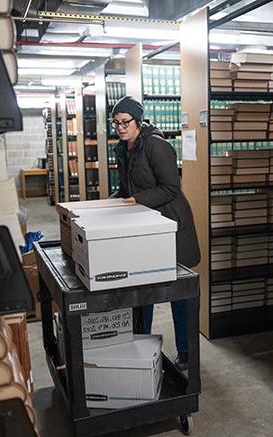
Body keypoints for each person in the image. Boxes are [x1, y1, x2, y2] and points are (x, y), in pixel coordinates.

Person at [110, 96, 201, 371]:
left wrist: (136, 200)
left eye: (125, 122)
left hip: (172, 225)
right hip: (146, 226)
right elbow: (128, 189)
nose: (121, 128)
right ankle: (142, 347)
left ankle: (186, 351)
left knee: (178, 291)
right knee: (142, 288)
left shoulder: (156, 145)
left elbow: (171, 187)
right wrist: (109, 202)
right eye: (116, 123)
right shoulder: (124, 149)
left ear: (138, 121)